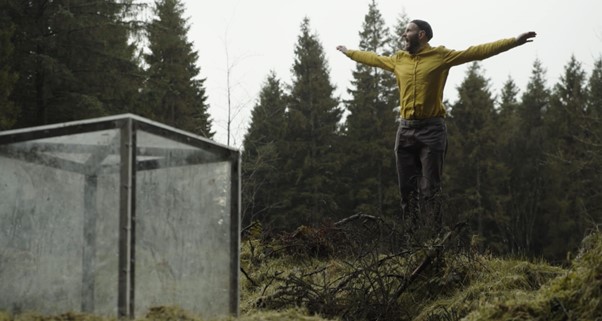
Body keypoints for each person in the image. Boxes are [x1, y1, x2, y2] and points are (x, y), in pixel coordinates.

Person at [337, 19, 536, 235]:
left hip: (432, 131)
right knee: (407, 191)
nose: (404, 35)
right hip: (404, 132)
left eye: (408, 31)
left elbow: (477, 52)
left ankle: (434, 243)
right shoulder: (398, 60)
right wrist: (349, 52)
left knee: (430, 190)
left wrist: (514, 41)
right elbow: (373, 59)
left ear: (421, 34)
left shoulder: (441, 56)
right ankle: (412, 242)